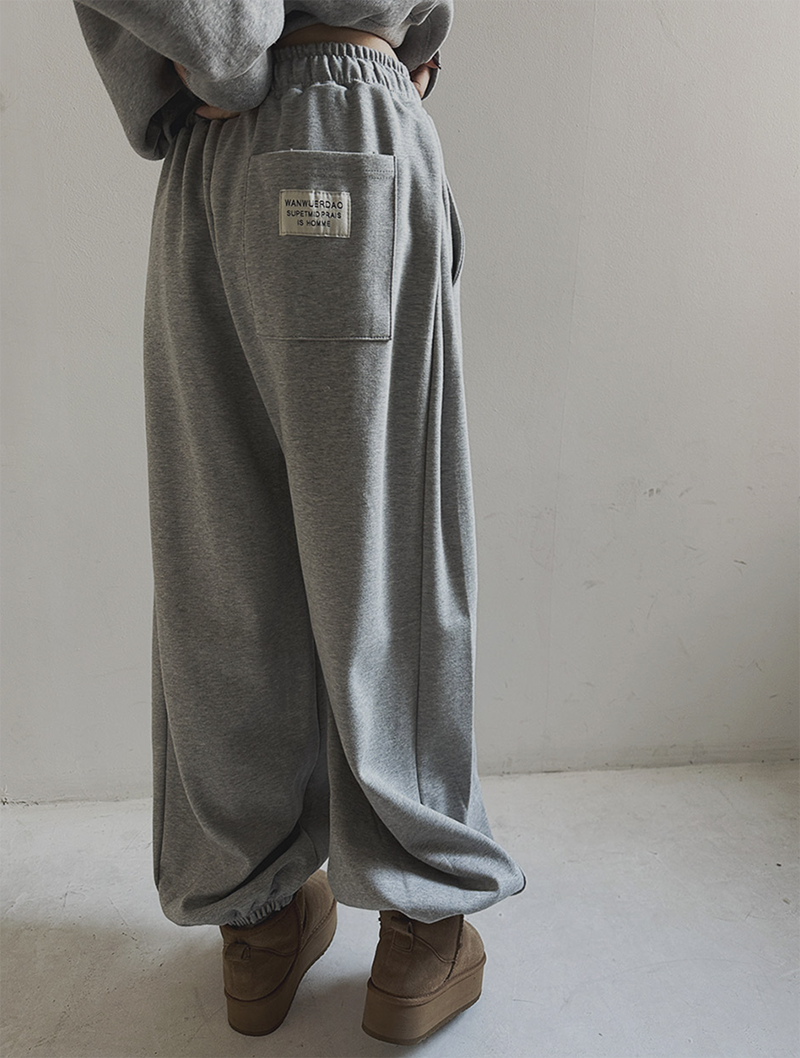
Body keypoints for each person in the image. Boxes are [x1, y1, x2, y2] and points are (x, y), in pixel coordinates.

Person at [72, 0, 527, 1045]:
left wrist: (207, 68)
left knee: (221, 558)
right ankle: (422, 922)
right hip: (344, 125)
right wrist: (390, 54)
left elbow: (215, 44)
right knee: (385, 552)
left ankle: (259, 919)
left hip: (208, 170)